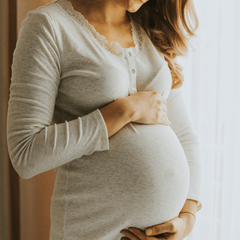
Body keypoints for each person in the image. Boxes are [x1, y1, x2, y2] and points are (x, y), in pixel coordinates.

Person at [6, 0, 203, 239]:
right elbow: (26, 154)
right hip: (90, 230)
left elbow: (184, 136)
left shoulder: (150, 26)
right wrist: (123, 111)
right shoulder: (50, 26)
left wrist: (187, 218)